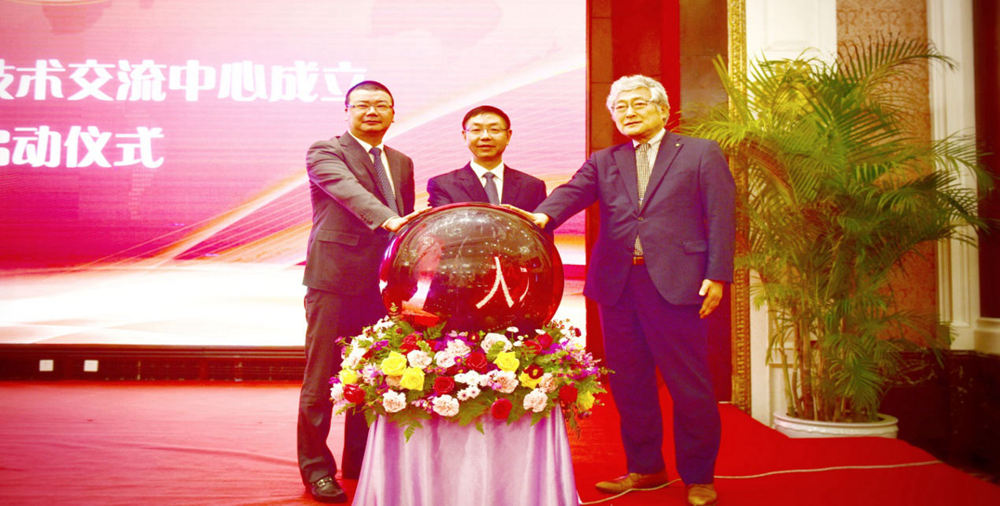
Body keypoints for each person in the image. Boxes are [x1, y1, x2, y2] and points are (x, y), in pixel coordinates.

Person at [528, 74, 734, 506]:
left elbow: (721, 215)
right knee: (630, 383)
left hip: (678, 282)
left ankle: (699, 476)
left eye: (638, 103)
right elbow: (571, 192)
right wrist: (542, 217)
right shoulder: (605, 160)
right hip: (618, 285)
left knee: (689, 386)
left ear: (663, 109)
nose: (629, 112)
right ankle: (646, 468)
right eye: (620, 107)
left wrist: (718, 275)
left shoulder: (700, 152)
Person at [298, 80, 415, 503]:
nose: (371, 112)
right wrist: (388, 219)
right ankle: (317, 470)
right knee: (322, 379)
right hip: (333, 281)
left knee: (373, 376)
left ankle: (361, 461)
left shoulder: (400, 161)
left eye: (381, 105)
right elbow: (349, 192)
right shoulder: (326, 152)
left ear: (393, 113)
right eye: (362, 105)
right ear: (347, 111)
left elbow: (405, 221)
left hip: (381, 286)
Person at [426, 105, 547, 211]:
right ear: (464, 136)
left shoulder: (533, 186)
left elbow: (539, 229)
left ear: (508, 136)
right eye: (476, 130)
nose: (485, 137)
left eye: (494, 129)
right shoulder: (443, 185)